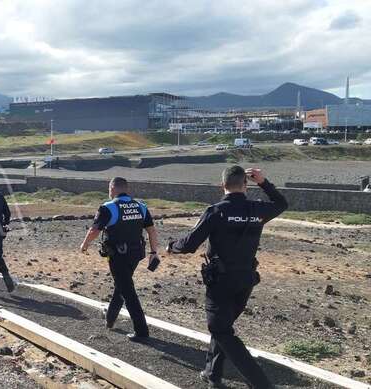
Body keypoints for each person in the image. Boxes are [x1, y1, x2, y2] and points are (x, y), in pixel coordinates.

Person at [167, 166, 287, 389]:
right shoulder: (257, 209)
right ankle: (212, 374)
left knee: (220, 330)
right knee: (224, 326)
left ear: (222, 185)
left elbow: (190, 244)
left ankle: (261, 384)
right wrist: (264, 182)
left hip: (221, 281)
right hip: (246, 280)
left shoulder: (216, 211)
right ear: (246, 184)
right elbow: (282, 204)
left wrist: (171, 246)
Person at [79, 177, 160, 342]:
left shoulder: (108, 207)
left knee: (127, 290)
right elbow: (151, 231)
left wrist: (84, 245)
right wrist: (153, 252)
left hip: (117, 255)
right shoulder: (141, 206)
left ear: (112, 188)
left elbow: (95, 230)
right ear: (127, 189)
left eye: (109, 189)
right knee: (122, 286)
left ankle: (141, 331)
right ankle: (110, 319)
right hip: (136, 254)